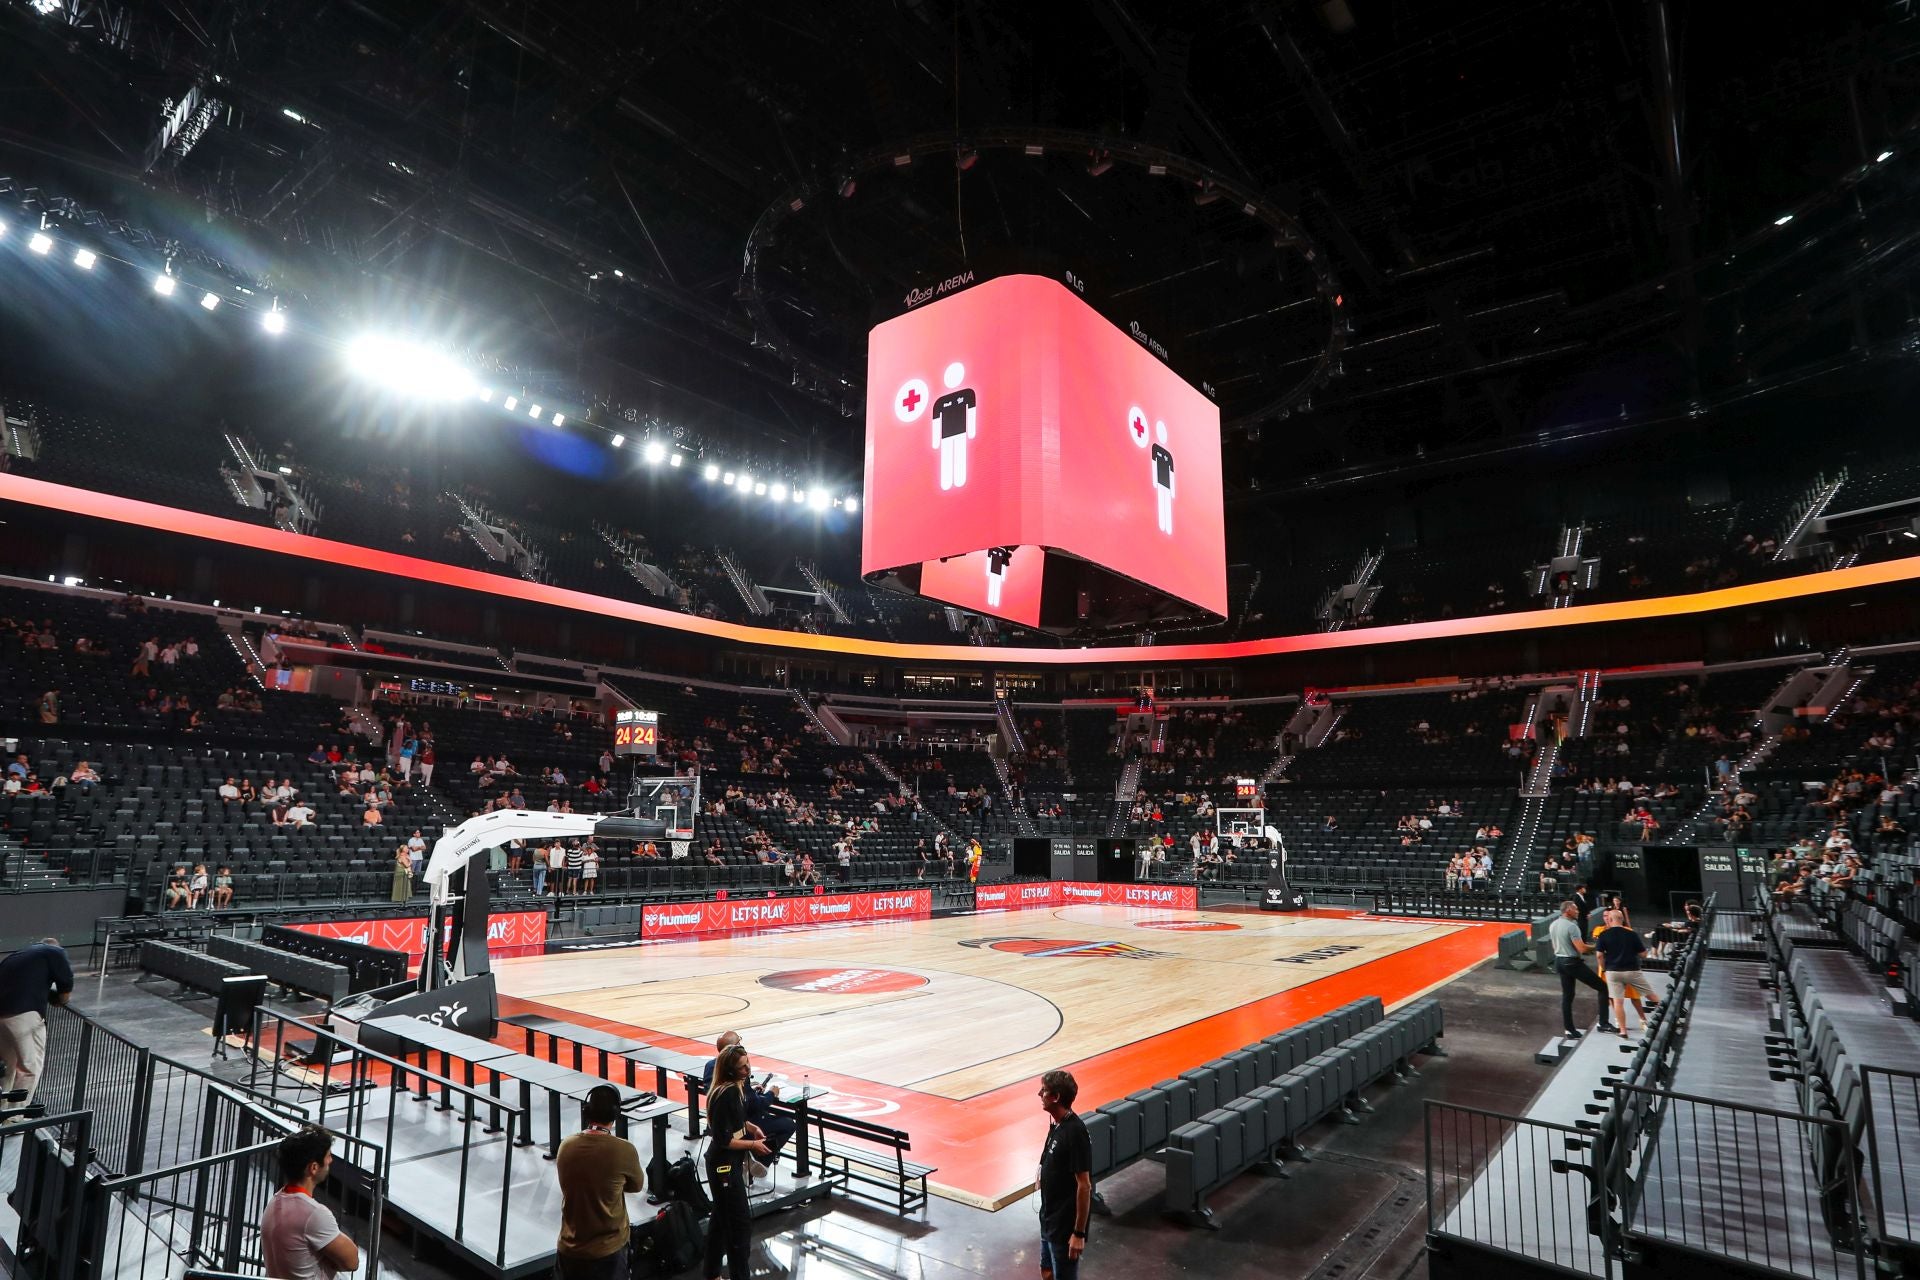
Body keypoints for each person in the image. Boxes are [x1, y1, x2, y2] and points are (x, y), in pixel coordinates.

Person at [554, 1083, 645, 1279]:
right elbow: (636, 1185)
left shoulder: (566, 1146)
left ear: (586, 1110)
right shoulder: (624, 1149)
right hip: (608, 1251)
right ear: (615, 1113)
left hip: (569, 1248)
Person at [703, 1043, 772, 1280]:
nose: (748, 1070)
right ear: (731, 1070)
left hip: (722, 1164)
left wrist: (751, 1128)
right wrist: (753, 1144)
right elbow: (723, 1140)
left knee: (721, 1223)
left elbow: (733, 1123)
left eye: (748, 1063)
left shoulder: (732, 1088)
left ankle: (711, 1274)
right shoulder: (729, 1092)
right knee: (739, 1228)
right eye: (742, 1067)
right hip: (724, 1167)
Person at [261, 1125, 359, 1280]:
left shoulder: (274, 1203)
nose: (330, 1160)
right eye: (328, 1156)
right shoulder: (315, 1214)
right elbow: (352, 1262)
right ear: (313, 1167)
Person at [0, 938, 74, 1105]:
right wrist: (61, 1000)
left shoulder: (17, 956)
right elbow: (66, 984)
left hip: (2, 1016)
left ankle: (2, 1109)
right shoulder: (55, 952)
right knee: (29, 1068)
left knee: (7, 1067)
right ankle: (14, 1119)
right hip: (23, 1016)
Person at [1036, 1068, 1092, 1280]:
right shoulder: (1057, 1126)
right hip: (1048, 1219)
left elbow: (1084, 1186)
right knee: (1047, 1271)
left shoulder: (1075, 1132)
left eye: (1044, 1091)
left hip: (1064, 1229)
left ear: (1056, 1097)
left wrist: (1079, 1233)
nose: (1039, 1095)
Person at [1549, 900, 1615, 1038]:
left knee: (1567, 996)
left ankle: (1569, 1030)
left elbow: (1556, 946)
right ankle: (1603, 1023)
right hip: (1571, 962)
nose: (1578, 911)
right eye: (1575, 909)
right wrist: (1599, 946)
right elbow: (1582, 948)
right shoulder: (1572, 926)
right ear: (1568, 911)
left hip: (1559, 962)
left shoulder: (1553, 924)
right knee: (1603, 988)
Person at [1593, 908, 1657, 1034]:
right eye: (1604, 916)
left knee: (1621, 1000)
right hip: (1631, 969)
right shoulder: (1630, 934)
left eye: (1607, 916)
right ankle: (1666, 1013)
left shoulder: (1604, 935)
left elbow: (1599, 955)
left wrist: (1605, 968)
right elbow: (1643, 954)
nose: (1606, 918)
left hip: (1612, 970)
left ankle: (1624, 1030)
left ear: (1611, 919)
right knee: (1649, 994)